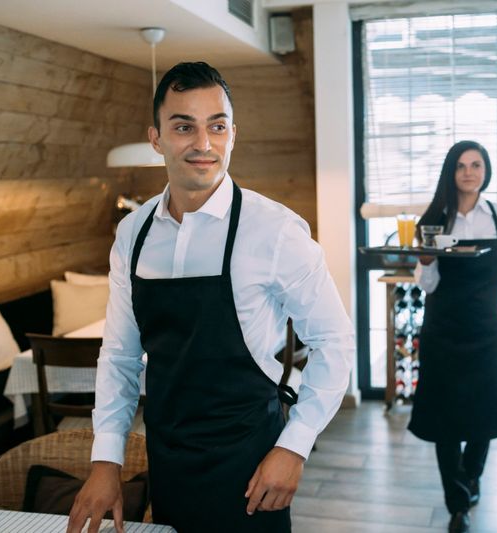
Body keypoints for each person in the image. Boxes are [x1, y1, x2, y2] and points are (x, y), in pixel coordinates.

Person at [66, 62, 354, 533]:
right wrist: (106, 461)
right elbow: (119, 356)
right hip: (168, 458)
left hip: (253, 462)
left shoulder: (276, 230)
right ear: (156, 138)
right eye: (184, 127)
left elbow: (335, 342)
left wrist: (294, 445)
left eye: (216, 126)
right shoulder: (132, 235)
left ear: (232, 135)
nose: (203, 144)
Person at [408, 140, 497, 533]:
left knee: (484, 413)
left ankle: (470, 481)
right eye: (461, 165)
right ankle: (457, 502)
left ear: (486, 171)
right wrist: (424, 261)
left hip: (488, 330)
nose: (469, 172)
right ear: (451, 172)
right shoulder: (434, 220)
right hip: (443, 329)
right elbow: (426, 285)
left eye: (476, 165)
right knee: (445, 417)